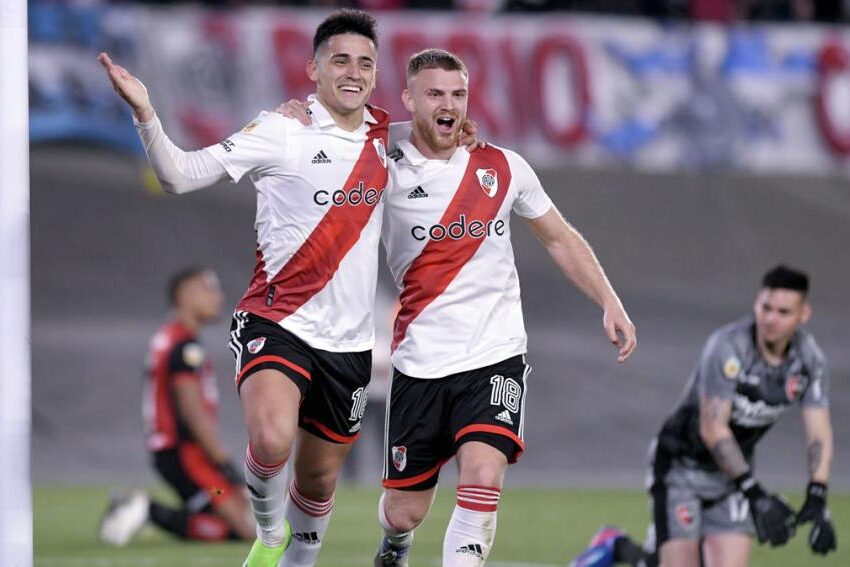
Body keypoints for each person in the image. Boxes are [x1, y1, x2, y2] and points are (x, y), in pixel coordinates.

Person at [99, 9, 393, 567]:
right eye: (340, 60)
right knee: (272, 439)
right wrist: (145, 113)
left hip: (350, 344)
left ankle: (290, 559)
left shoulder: (388, 141)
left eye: (366, 63)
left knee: (319, 478)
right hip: (276, 319)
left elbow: (441, 149)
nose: (353, 72)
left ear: (376, 74)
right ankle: (267, 528)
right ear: (313, 68)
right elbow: (178, 175)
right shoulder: (280, 130)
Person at [374, 49, 637, 567]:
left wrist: (610, 301)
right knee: (404, 512)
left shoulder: (503, 167)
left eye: (457, 94)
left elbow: (560, 238)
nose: (448, 105)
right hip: (419, 362)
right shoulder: (381, 160)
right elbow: (331, 134)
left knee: (482, 475)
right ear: (408, 99)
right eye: (434, 94)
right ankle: (394, 546)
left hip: (494, 355)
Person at [570, 265, 837, 567]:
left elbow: (819, 433)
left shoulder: (808, 360)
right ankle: (617, 548)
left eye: (784, 312)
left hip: (731, 475)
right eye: (766, 307)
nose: (771, 319)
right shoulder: (729, 347)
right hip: (680, 467)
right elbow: (713, 428)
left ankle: (624, 549)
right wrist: (755, 493)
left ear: (803, 315)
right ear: (756, 305)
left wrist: (818, 497)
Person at [99, 267, 254, 545]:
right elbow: (191, 411)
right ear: (185, 295)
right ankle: (149, 511)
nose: (218, 298)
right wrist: (224, 464)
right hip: (186, 453)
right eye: (209, 290)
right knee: (242, 529)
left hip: (177, 451)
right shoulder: (184, 346)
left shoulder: (171, 337)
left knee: (233, 510)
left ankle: (146, 511)